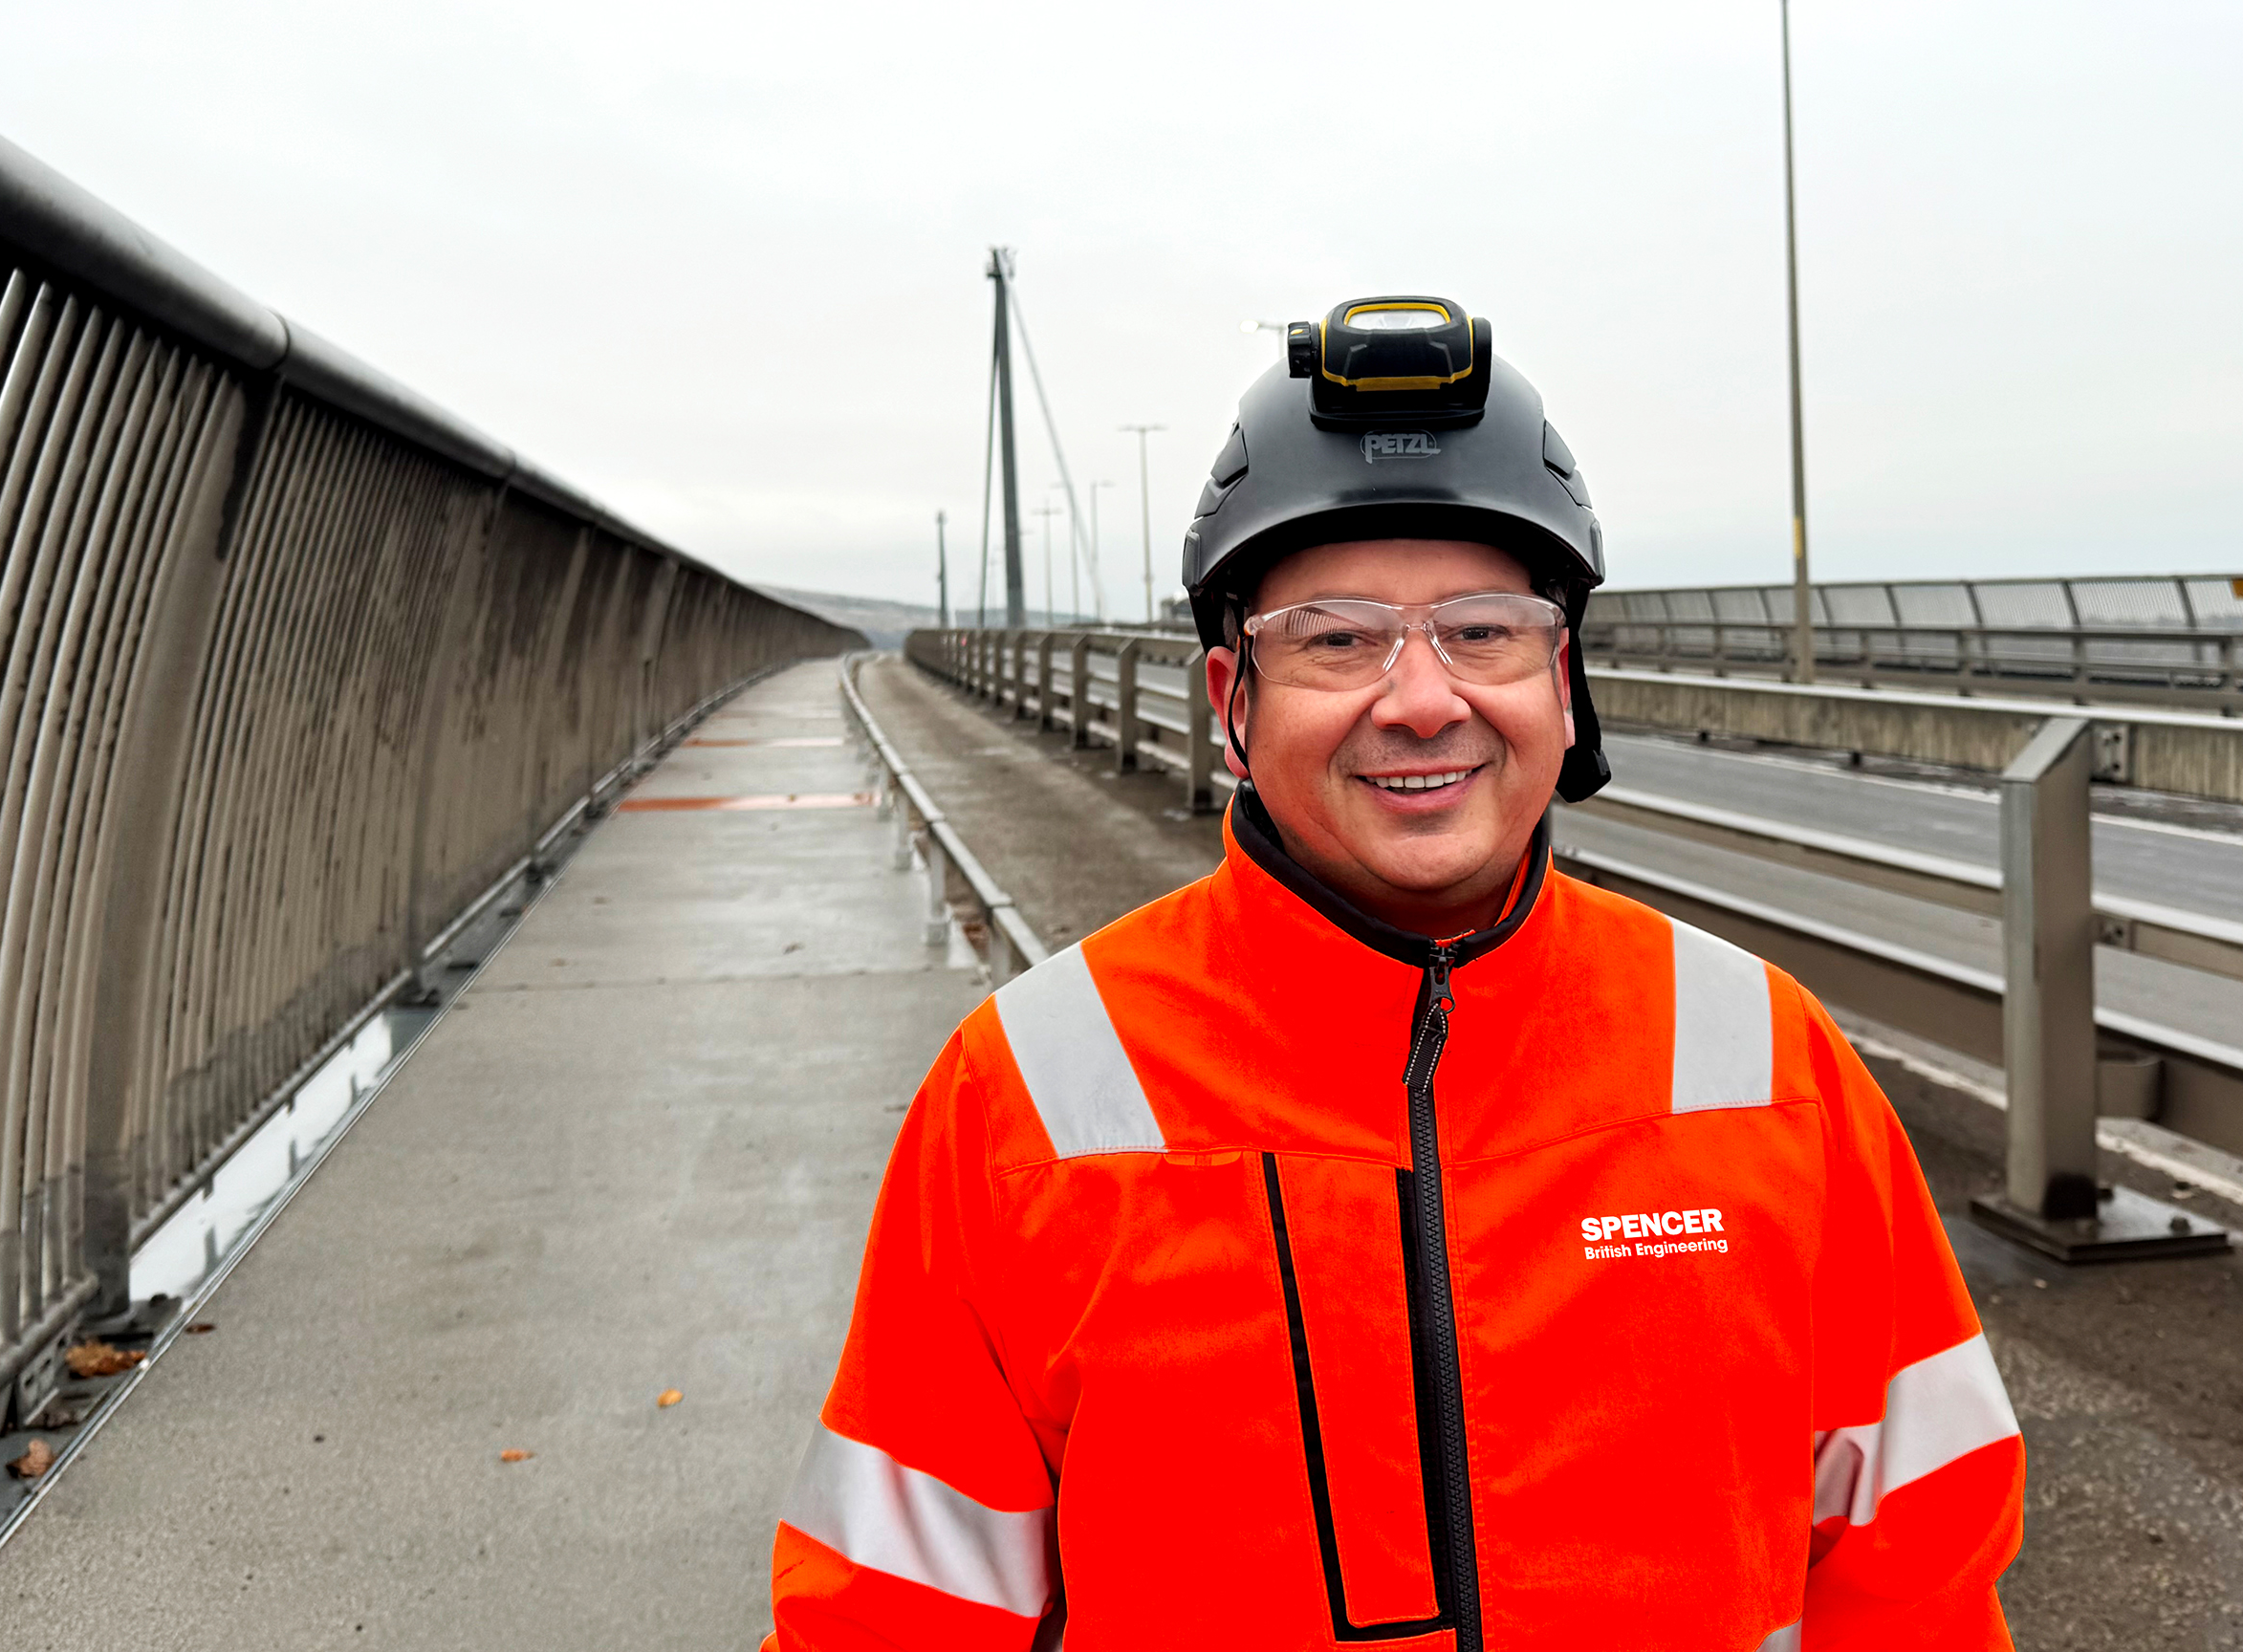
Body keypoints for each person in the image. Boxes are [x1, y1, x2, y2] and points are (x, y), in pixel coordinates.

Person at [766, 298, 2022, 1650]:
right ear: (1230, 703)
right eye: (1338, 638)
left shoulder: (1766, 1063)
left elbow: (1920, 1567)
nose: (1422, 698)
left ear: (1563, 680)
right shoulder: (1030, 1095)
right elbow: (895, 1611)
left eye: (1484, 629)